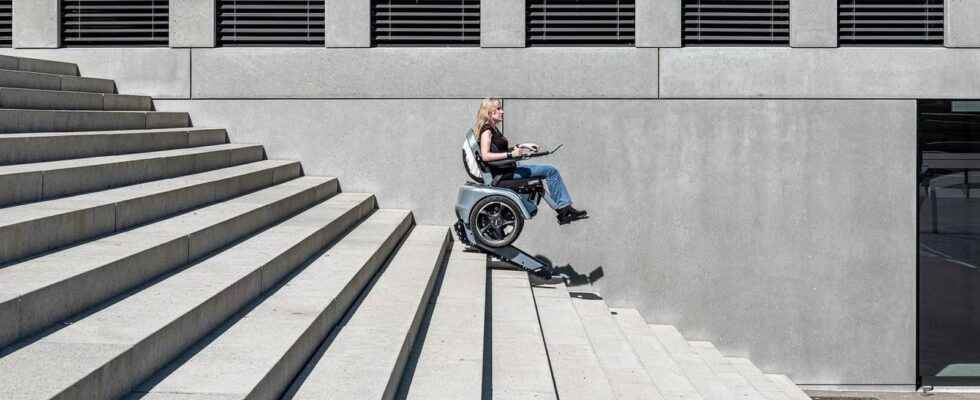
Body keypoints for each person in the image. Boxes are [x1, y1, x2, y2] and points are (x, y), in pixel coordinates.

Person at [473, 98, 588, 225]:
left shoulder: (493, 129)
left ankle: (564, 211)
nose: (502, 111)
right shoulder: (487, 131)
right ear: (489, 112)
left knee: (541, 177)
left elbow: (499, 150)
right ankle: (565, 209)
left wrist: (523, 145)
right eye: (499, 109)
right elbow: (485, 156)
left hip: (507, 169)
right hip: (502, 175)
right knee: (551, 171)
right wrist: (511, 154)